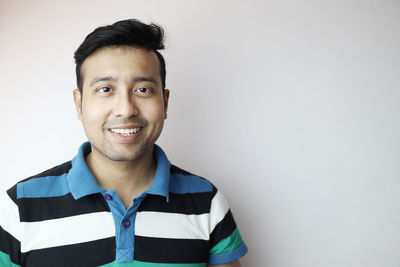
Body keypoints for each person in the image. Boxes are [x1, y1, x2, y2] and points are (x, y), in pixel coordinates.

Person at [0, 19, 248, 267]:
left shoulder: (207, 203)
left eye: (142, 90)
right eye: (106, 89)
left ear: (165, 102)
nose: (126, 109)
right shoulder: (19, 208)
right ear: (79, 104)